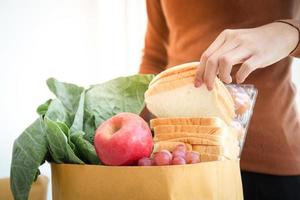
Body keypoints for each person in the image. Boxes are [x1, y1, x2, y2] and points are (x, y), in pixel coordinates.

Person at [139, 1, 300, 199]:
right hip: (179, 158)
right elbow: (154, 57)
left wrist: (290, 31)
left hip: (271, 165)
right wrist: (135, 130)